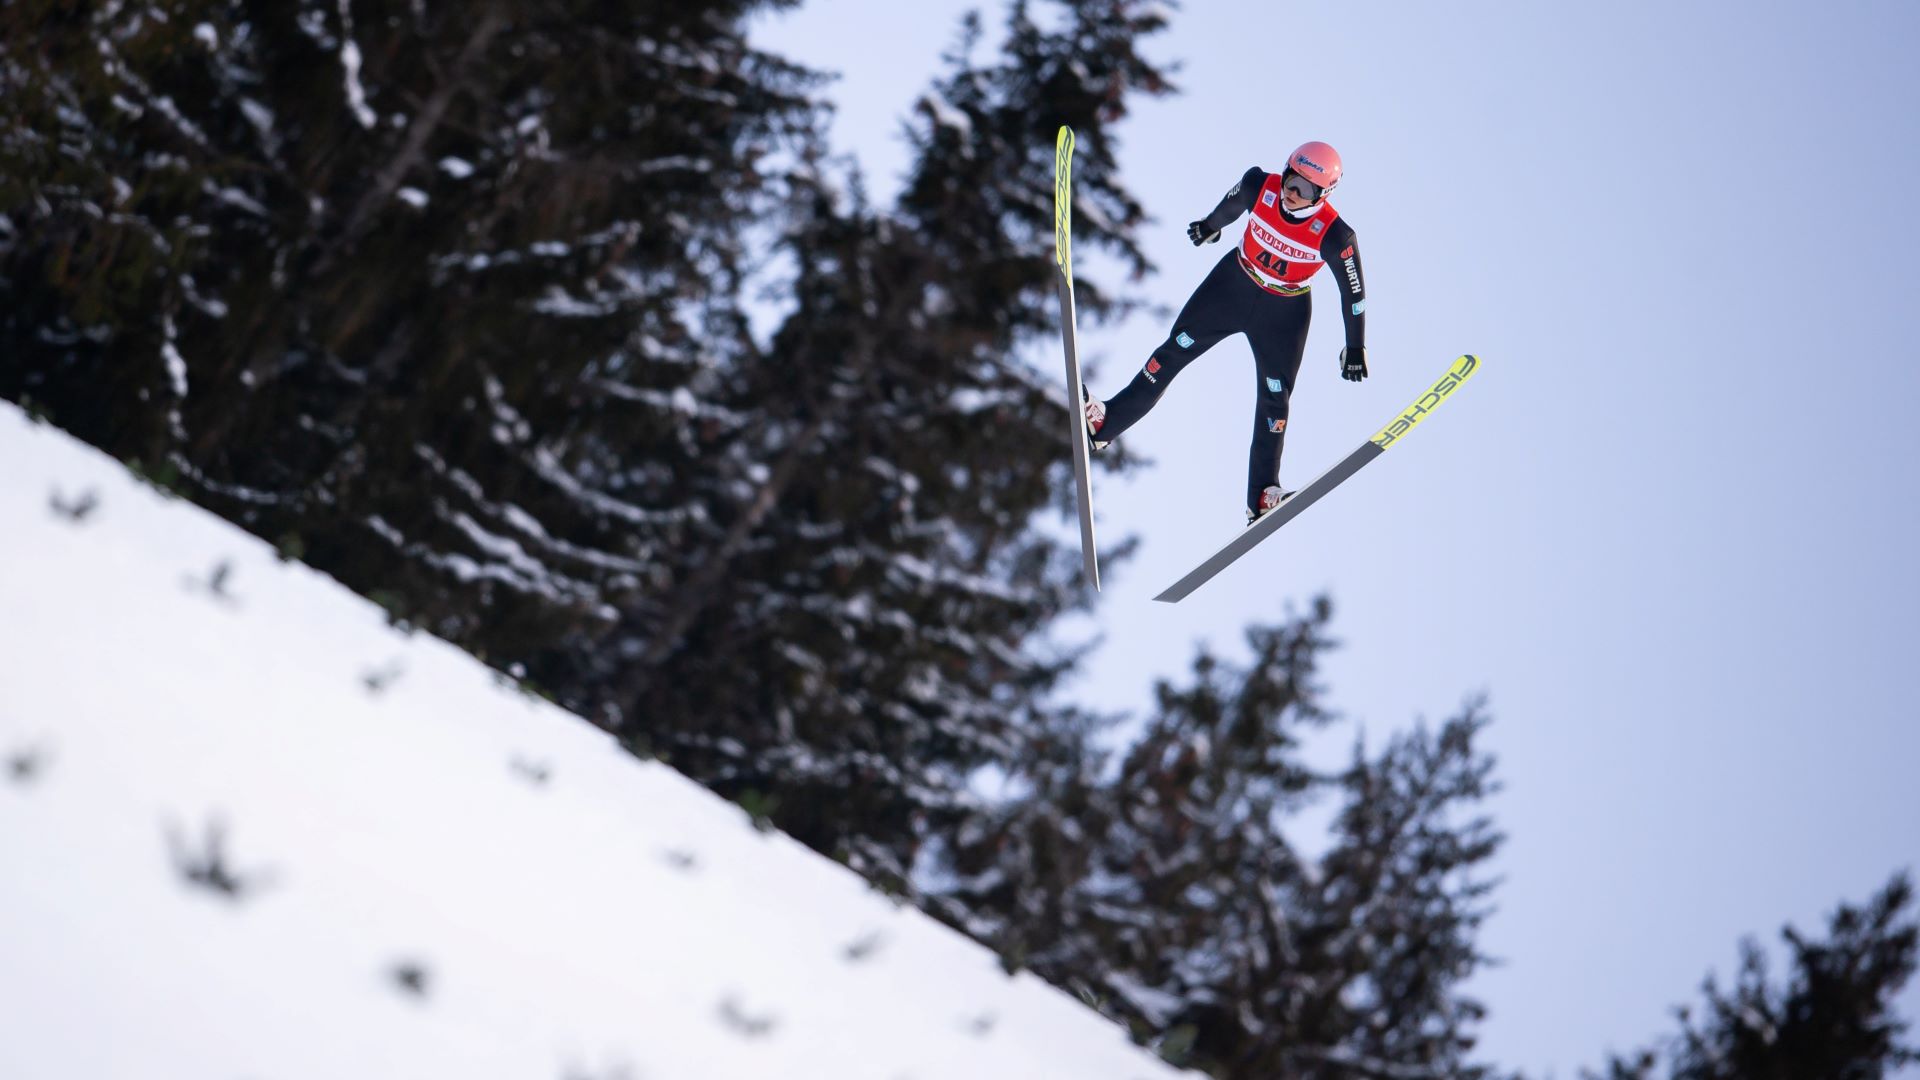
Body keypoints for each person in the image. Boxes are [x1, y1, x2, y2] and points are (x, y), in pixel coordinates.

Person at [1084, 141, 1368, 524]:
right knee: (1173, 350)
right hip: (1233, 284)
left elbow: (1353, 296)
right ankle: (1106, 424)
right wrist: (1209, 226)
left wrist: (1354, 347)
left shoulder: (1336, 235)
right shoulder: (1259, 185)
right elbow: (1230, 206)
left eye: (1305, 190)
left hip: (1283, 313)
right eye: (1290, 180)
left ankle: (1263, 494)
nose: (1291, 193)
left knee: (1274, 401)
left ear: (1324, 195)